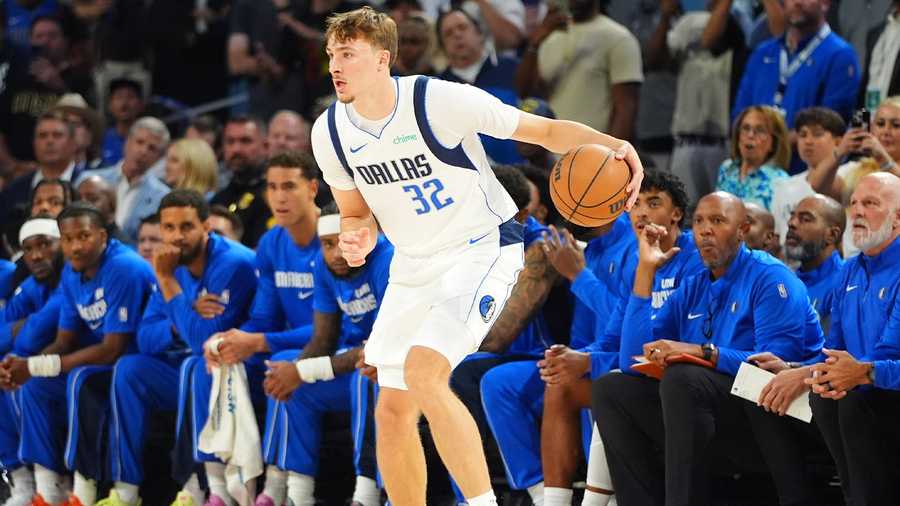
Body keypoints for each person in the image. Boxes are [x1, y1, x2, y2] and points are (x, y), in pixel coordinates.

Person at [310, 7, 645, 506]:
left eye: (348, 55)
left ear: (382, 60)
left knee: (425, 373)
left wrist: (614, 144)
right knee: (392, 408)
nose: (336, 65)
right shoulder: (330, 131)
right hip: (413, 263)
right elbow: (356, 212)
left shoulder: (438, 100)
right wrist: (358, 235)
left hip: (481, 248)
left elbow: (543, 133)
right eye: (333, 54)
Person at [592, 191, 824, 506]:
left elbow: (774, 367)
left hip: (776, 421)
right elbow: (632, 360)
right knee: (613, 387)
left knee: (684, 378)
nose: (704, 230)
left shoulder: (771, 278)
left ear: (743, 230)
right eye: (699, 221)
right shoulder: (695, 285)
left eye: (717, 221)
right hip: (705, 416)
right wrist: (646, 270)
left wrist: (704, 352)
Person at [536, 169, 704, 506]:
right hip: (639, 374)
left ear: (676, 214)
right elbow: (616, 334)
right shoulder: (640, 260)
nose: (641, 212)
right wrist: (579, 356)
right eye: (636, 203)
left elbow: (655, 345)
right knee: (561, 382)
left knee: (613, 386)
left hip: (680, 382)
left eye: (653, 203)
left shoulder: (695, 261)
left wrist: (592, 359)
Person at [100, 189, 257, 506]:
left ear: (206, 226)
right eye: (169, 228)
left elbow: (205, 341)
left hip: (239, 367)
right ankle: (125, 490)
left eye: (187, 227)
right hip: (193, 367)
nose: (177, 237)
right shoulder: (169, 264)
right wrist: (182, 314)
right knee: (129, 369)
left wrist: (168, 284)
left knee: (194, 367)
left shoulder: (231, 263)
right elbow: (145, 338)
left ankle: (199, 488)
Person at [753, 173, 900, 505]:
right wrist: (795, 368)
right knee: (768, 391)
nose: (858, 212)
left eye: (871, 203)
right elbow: (833, 353)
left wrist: (857, 373)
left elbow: (884, 354)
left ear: (898, 217)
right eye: (855, 203)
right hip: (859, 394)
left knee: (845, 398)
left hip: (887, 392)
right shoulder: (848, 271)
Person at [186, 152, 321, 505]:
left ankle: (276, 487)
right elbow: (264, 318)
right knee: (212, 363)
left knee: (284, 360)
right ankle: (218, 488)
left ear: (312, 189)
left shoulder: (334, 240)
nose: (279, 197)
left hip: (330, 347)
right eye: (272, 187)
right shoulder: (271, 243)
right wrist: (231, 339)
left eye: (289, 186)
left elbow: (334, 327)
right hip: (285, 343)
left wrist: (259, 340)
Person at [0, 203, 155, 506]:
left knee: (79, 380)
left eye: (83, 236)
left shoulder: (123, 267)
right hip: (95, 360)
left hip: (133, 361)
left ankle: (83, 492)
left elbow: (114, 349)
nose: (76, 246)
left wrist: (40, 363)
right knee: (31, 385)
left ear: (101, 235)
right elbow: (63, 340)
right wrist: (26, 367)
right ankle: (47, 491)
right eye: (69, 239)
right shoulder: (73, 272)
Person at [480, 213, 634, 506]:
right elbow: (584, 331)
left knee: (591, 385)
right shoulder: (592, 248)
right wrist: (570, 355)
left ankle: (606, 496)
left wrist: (579, 276)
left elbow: (629, 323)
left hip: (622, 364)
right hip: (593, 356)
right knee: (499, 384)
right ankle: (542, 496)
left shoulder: (634, 246)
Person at [257, 203, 391, 506]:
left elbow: (385, 348)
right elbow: (322, 340)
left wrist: (303, 371)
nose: (335, 254)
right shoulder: (325, 265)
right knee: (288, 372)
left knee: (364, 375)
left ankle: (366, 494)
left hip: (399, 366)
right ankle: (295, 493)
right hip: (358, 359)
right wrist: (292, 372)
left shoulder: (388, 260)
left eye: (344, 242)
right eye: (328, 244)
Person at [446, 165, 554, 504]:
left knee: (457, 373)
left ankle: (531, 494)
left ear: (523, 213)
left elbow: (499, 337)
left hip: (535, 357)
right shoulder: (469, 241)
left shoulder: (542, 248)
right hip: (484, 357)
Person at [0, 217, 66, 506]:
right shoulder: (29, 286)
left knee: (18, 372)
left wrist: (21, 329)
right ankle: (22, 481)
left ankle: (50, 484)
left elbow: (34, 334)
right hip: (39, 361)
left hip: (69, 363)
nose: (37, 256)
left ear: (61, 244)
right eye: (28, 249)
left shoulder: (72, 278)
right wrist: (19, 328)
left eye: (45, 245)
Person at [517, 0, 642, 141]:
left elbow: (626, 109)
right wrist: (534, 43)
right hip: (549, 153)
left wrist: (610, 156)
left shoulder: (618, 38)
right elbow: (525, 93)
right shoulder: (549, 34)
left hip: (593, 153)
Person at [733, 0, 860, 130]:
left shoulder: (841, 56)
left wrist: (776, 145)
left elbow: (831, 125)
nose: (797, 2)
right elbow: (739, 115)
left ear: (825, 3)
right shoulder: (762, 53)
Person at [87, 116, 171, 245]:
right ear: (127, 142)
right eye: (139, 142)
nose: (143, 151)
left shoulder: (163, 196)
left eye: (152, 148)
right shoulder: (90, 180)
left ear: (159, 157)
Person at [770, 107, 846, 243]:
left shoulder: (848, 174)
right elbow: (777, 236)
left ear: (838, 142)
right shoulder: (783, 185)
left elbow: (821, 186)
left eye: (817, 134)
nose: (808, 141)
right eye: (802, 135)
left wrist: (840, 153)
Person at [784, 194, 845, 329]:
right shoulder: (784, 280)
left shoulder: (847, 283)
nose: (791, 223)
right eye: (792, 216)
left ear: (832, 235)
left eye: (805, 219)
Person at [210, 116, 271, 248]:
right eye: (230, 141)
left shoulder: (276, 196)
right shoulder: (219, 199)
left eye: (245, 141)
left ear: (265, 146)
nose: (236, 149)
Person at [715, 105, 791, 210]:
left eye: (760, 130)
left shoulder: (781, 181)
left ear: (773, 143)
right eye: (745, 128)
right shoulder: (727, 168)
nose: (750, 135)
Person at [100, 78, 145, 167]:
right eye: (119, 97)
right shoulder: (100, 138)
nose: (124, 103)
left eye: (130, 97)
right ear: (110, 105)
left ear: (141, 105)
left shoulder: (147, 142)